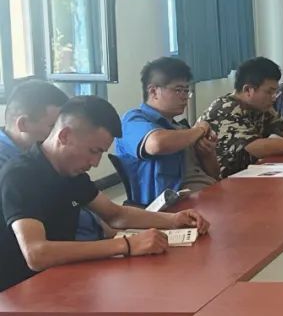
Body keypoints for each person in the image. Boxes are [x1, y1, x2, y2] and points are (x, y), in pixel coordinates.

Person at [0, 96, 210, 292]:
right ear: (65, 136)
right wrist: (126, 245)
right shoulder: (21, 175)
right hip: (20, 291)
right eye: (94, 151)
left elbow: (115, 214)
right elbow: (36, 254)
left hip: (62, 277)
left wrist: (173, 220)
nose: (95, 163)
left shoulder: (70, 173)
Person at [0, 81, 106, 241]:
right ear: (23, 124)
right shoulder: (12, 170)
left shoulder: (49, 158)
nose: (61, 134)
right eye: (53, 126)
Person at [114, 58, 220, 207]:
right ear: (153, 91)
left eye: (186, 91)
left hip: (208, 196)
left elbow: (213, 175)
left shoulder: (181, 130)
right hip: (174, 207)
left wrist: (207, 154)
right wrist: (200, 129)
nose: (184, 96)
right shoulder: (133, 121)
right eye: (178, 90)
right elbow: (157, 144)